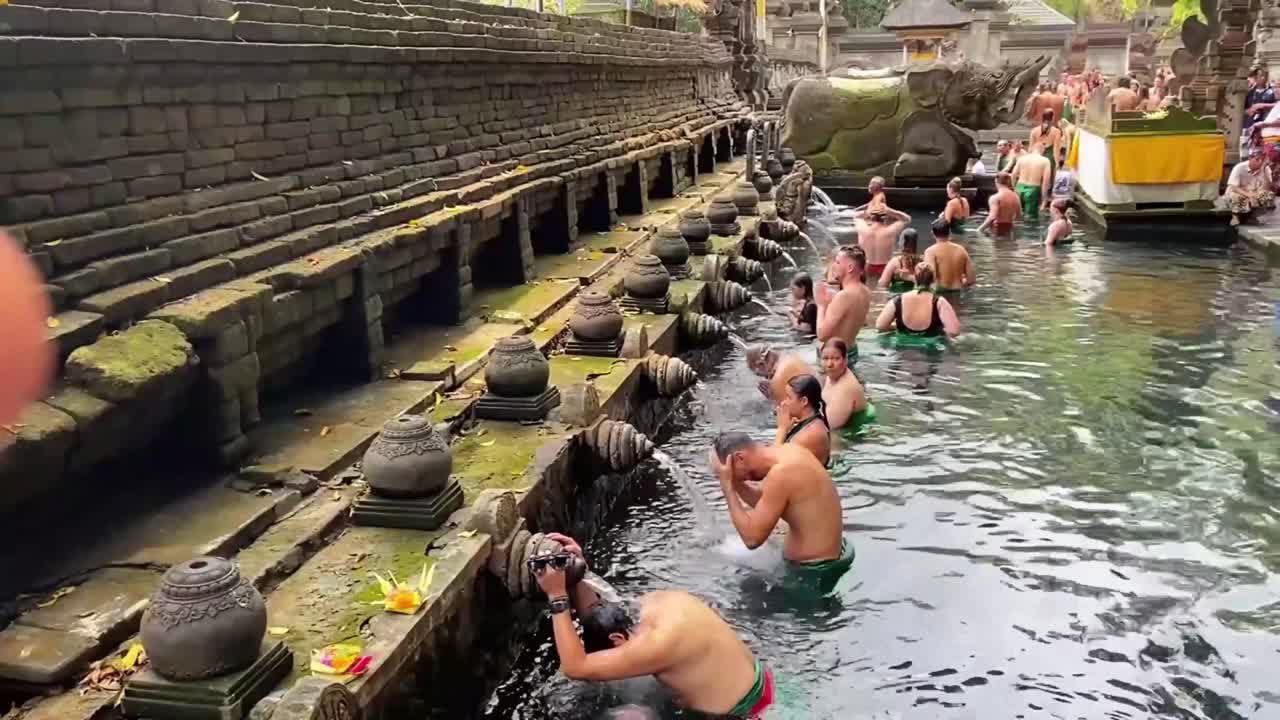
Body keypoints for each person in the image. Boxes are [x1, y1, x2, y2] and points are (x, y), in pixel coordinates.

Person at [533, 532, 774, 718]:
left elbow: (575, 667)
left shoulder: (655, 645)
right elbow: (600, 609)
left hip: (742, 713)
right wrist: (577, 571)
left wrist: (557, 596)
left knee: (632, 716)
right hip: (758, 682)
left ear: (617, 640)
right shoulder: (654, 603)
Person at [710, 432, 852, 589]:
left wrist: (727, 487)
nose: (742, 479)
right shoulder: (791, 451)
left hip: (811, 575)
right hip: (825, 560)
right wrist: (733, 482)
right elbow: (764, 502)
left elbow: (751, 540)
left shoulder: (781, 473)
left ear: (740, 458)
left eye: (734, 473)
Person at [814, 245, 872, 365]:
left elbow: (822, 335)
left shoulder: (843, 296)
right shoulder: (865, 291)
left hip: (834, 359)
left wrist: (821, 305)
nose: (833, 266)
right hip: (851, 351)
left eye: (837, 262)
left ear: (850, 268)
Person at [874, 262, 960, 339]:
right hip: (931, 348)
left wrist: (895, 327)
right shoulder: (939, 302)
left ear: (914, 278)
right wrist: (941, 331)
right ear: (933, 280)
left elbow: (880, 326)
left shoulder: (898, 300)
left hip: (903, 348)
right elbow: (954, 331)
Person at [775, 374, 830, 466]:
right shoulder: (812, 423)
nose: (784, 402)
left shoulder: (810, 434)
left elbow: (776, 463)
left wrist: (782, 429)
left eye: (789, 397)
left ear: (804, 401)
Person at [818, 339, 868, 429]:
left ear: (845, 360)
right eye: (825, 358)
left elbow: (829, 427)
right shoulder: (833, 374)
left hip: (850, 433)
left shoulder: (845, 389)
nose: (829, 364)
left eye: (836, 358)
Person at [746, 344, 816, 405]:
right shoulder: (789, 357)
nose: (766, 378)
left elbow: (784, 411)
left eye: (763, 375)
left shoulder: (778, 378)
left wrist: (772, 397)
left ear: (761, 364)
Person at [1224, 147, 1275, 226]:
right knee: (1235, 196)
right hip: (1239, 193)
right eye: (1257, 159)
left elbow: (1267, 188)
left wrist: (1263, 170)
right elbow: (1233, 187)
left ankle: (1252, 216)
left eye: (1262, 160)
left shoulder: (1266, 169)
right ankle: (1235, 216)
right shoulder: (1239, 167)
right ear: (1250, 158)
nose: (1260, 162)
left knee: (1268, 195)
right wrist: (1249, 195)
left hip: (1254, 193)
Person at [859, 206, 911, 279]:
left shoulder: (863, 229)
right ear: (885, 218)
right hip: (886, 267)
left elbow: (856, 216)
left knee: (869, 283)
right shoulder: (891, 231)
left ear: (870, 218)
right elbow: (907, 218)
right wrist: (890, 211)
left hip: (868, 266)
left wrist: (869, 209)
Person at [922, 220, 975, 291]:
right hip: (958, 291)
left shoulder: (930, 252)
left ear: (933, 233)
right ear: (950, 232)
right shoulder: (961, 250)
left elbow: (930, 278)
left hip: (940, 292)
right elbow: (971, 279)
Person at [1011, 142, 1052, 216]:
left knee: (1016, 215)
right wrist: (1044, 199)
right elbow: (1046, 182)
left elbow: (1013, 175)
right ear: (1042, 150)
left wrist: (1014, 188)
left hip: (1019, 188)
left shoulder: (1021, 159)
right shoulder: (1045, 161)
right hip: (1033, 190)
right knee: (1030, 217)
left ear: (1032, 149)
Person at [877, 227, 920, 293]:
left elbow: (882, 284)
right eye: (906, 251)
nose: (908, 255)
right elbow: (882, 285)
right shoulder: (895, 262)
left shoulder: (919, 263)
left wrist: (908, 277)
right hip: (901, 295)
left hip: (905, 296)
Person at [1244, 66, 1276, 152]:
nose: (1262, 78)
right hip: (1250, 124)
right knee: (1248, 150)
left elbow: (1277, 105)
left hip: (1265, 124)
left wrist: (1263, 106)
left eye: (1264, 76)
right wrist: (1248, 111)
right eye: (1260, 76)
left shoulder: (1272, 92)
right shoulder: (1249, 93)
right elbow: (1243, 109)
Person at [1028, 109, 1062, 176]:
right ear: (1052, 118)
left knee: (1037, 177)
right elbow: (1056, 150)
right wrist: (1057, 163)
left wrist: (1029, 160)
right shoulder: (1056, 131)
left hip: (1037, 158)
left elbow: (1031, 148)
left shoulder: (1034, 131)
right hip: (1049, 158)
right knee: (1049, 178)